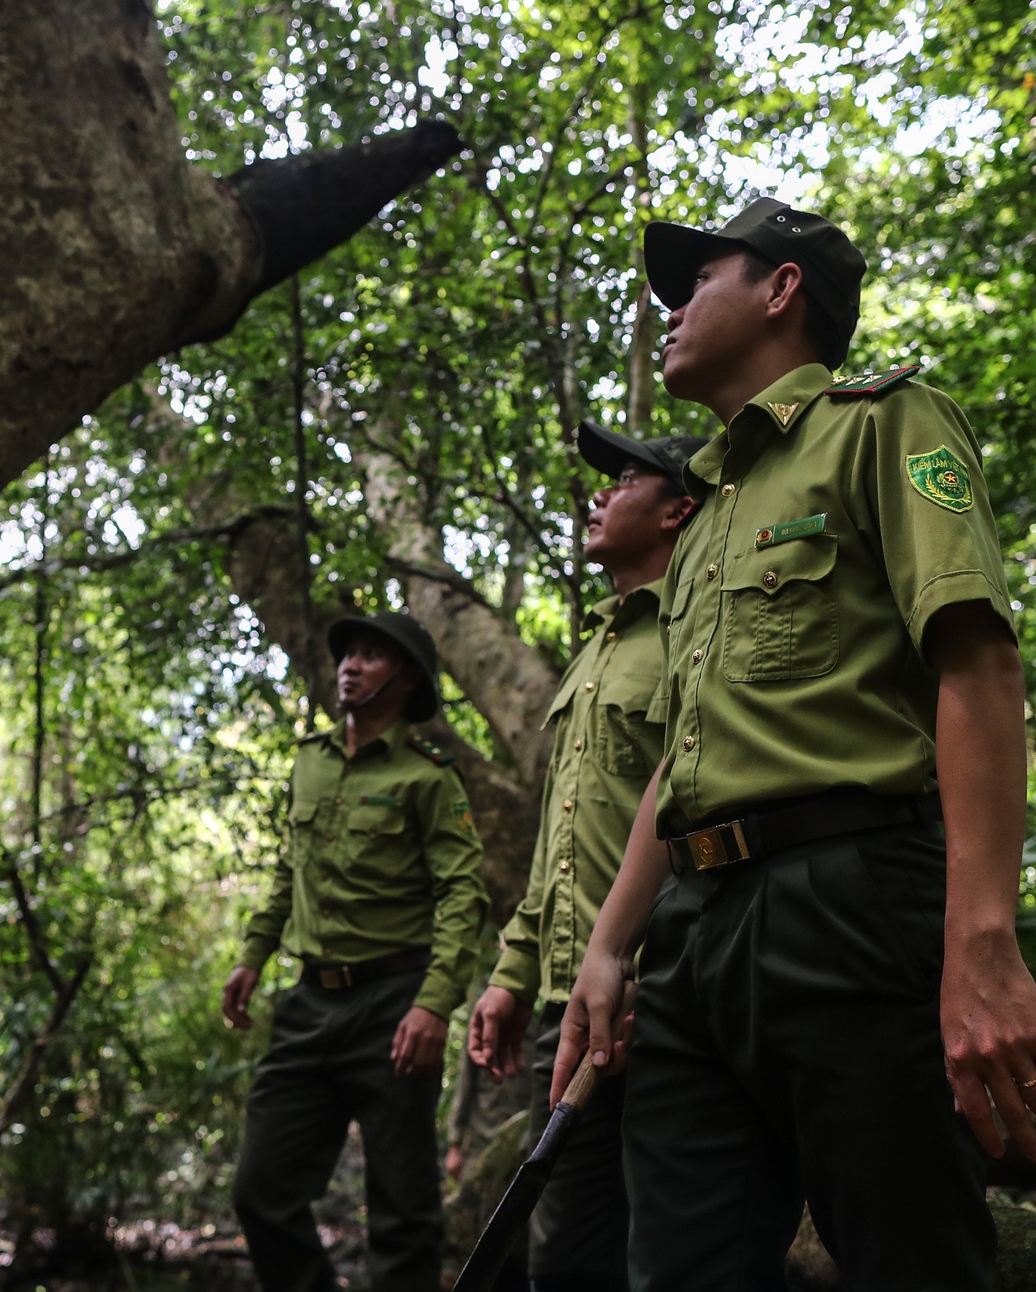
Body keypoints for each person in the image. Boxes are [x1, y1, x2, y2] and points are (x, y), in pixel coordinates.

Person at [553, 197, 1036, 1292]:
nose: (675, 305)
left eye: (700, 278)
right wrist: (609, 947)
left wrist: (982, 943)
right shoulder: (700, 523)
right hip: (691, 940)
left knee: (909, 1257)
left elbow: (975, 664)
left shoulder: (884, 423)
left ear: (781, 289)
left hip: (848, 900)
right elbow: (681, 760)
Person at [464, 422, 700, 1292]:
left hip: (663, 994)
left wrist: (648, 956)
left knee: (675, 1247)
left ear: (679, 509)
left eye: (624, 480)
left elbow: (700, 808)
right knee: (561, 1254)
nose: (596, 496)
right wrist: (511, 972)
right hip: (568, 999)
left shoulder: (699, 629)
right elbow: (560, 843)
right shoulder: (594, 649)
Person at [224, 610, 489, 1292]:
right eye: (349, 654)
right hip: (308, 1004)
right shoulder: (309, 762)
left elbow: (464, 894)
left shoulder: (428, 777)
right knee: (261, 1191)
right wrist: (254, 955)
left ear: (405, 680)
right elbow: (291, 871)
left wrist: (435, 1005)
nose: (350, 664)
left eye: (372, 656)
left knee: (403, 1215)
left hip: (394, 1009)